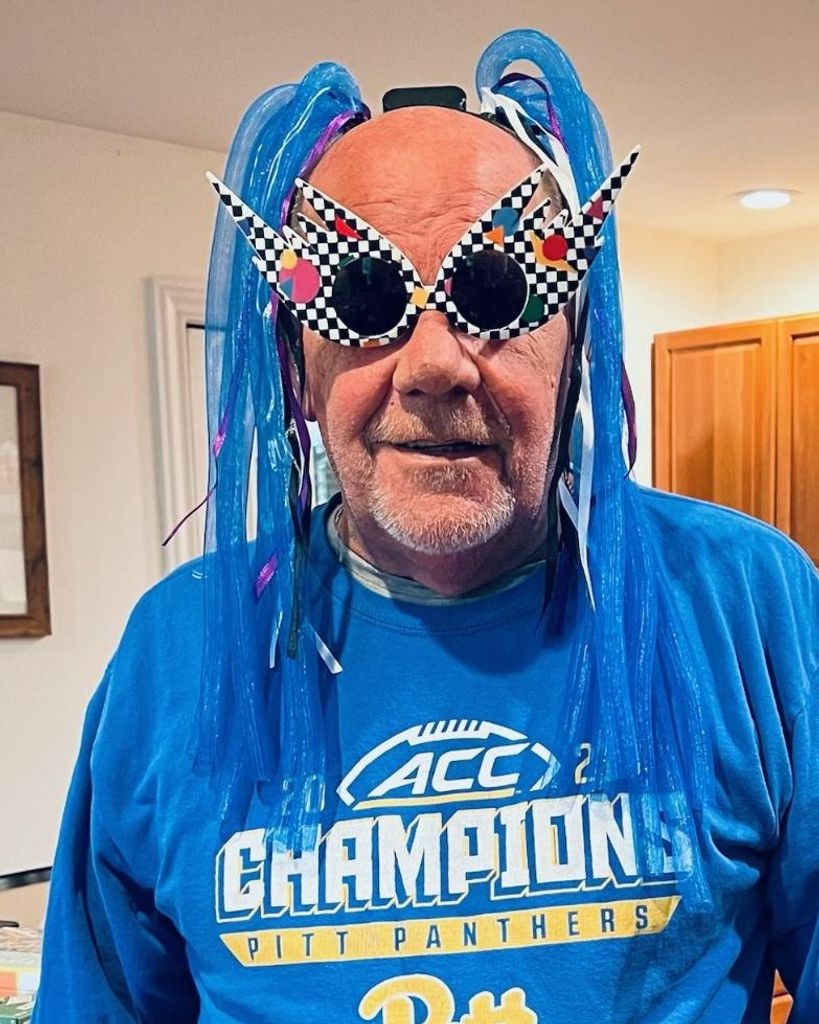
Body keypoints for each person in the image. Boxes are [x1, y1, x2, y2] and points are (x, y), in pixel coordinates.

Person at [33, 29, 817, 1024]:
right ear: (296, 367)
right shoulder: (178, 648)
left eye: (496, 293)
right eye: (363, 298)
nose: (435, 365)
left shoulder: (742, 603)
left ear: (575, 346)